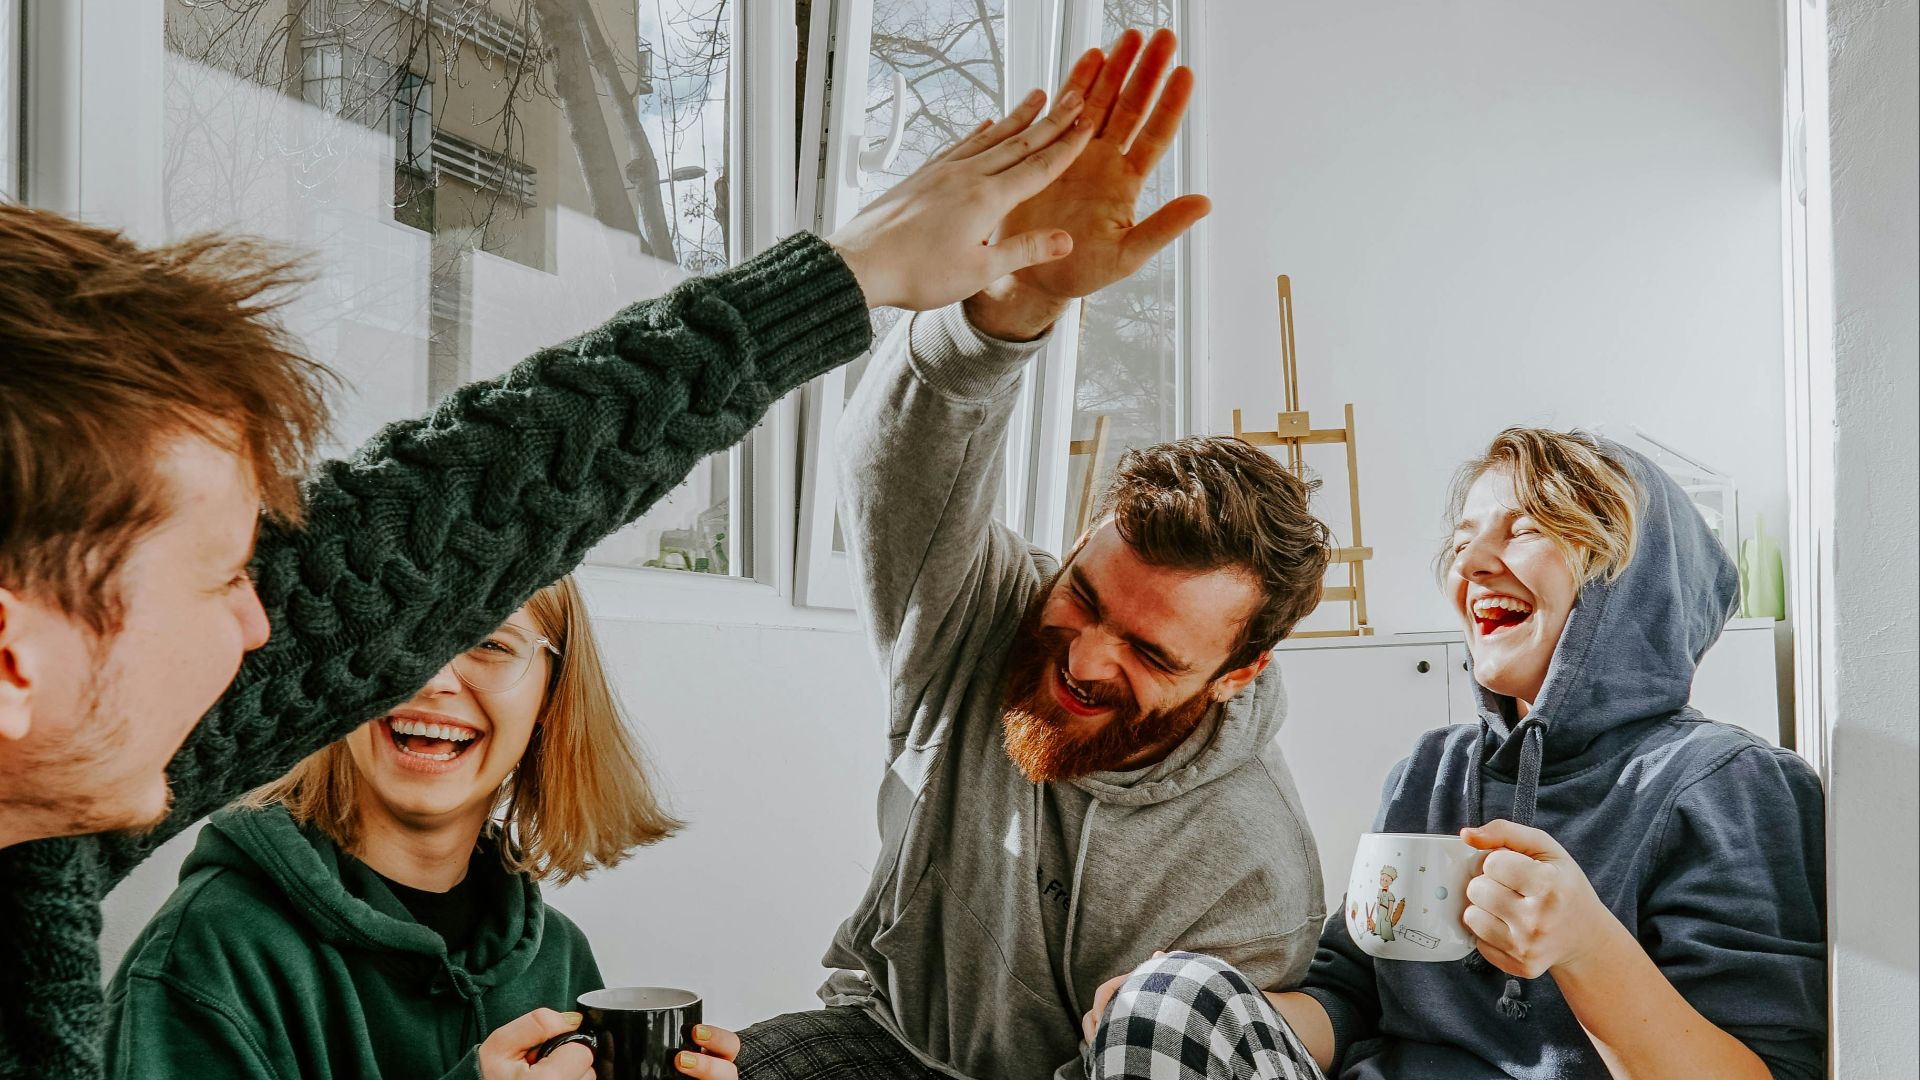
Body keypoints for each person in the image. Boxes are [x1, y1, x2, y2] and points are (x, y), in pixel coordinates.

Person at [0, 83, 1099, 1079]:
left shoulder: (35, 839)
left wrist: (851, 274)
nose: (262, 622)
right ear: (14, 661)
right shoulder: (187, 943)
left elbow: (445, 522)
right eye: (220, 578)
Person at [733, 29, 1334, 1080]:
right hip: (879, 1038)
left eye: (1152, 654)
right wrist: (1016, 305)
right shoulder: (984, 618)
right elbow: (900, 466)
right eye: (1086, 597)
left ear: (1237, 676)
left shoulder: (1251, 869)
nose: (1087, 658)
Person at [1083, 428, 1828, 1080]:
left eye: (1527, 528)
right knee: (1169, 1002)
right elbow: (1349, 996)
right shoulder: (1432, 770)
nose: (1473, 561)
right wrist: (1199, 1007)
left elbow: (1770, 1071)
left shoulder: (1727, 784)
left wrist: (1586, 947)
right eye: (1466, 537)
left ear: (1629, 579)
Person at [105, 576, 737, 1080]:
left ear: (550, 699)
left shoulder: (557, 955)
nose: (433, 682)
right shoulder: (209, 951)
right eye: (403, 635)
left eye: (490, 643)